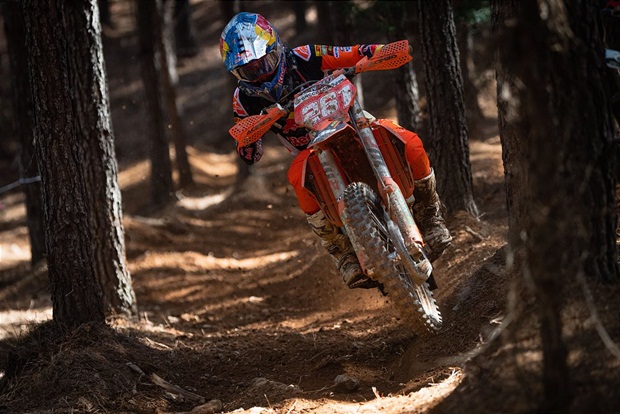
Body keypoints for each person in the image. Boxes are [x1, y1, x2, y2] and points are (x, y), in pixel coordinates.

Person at [219, 12, 452, 289]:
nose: (260, 75)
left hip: (353, 123)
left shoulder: (305, 56)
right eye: (249, 71)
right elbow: (249, 152)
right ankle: (341, 251)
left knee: (409, 142)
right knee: (297, 179)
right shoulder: (243, 99)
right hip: (310, 149)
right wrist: (255, 130)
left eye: (263, 63)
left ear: (276, 48)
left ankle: (431, 214)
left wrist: (380, 53)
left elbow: (352, 53)